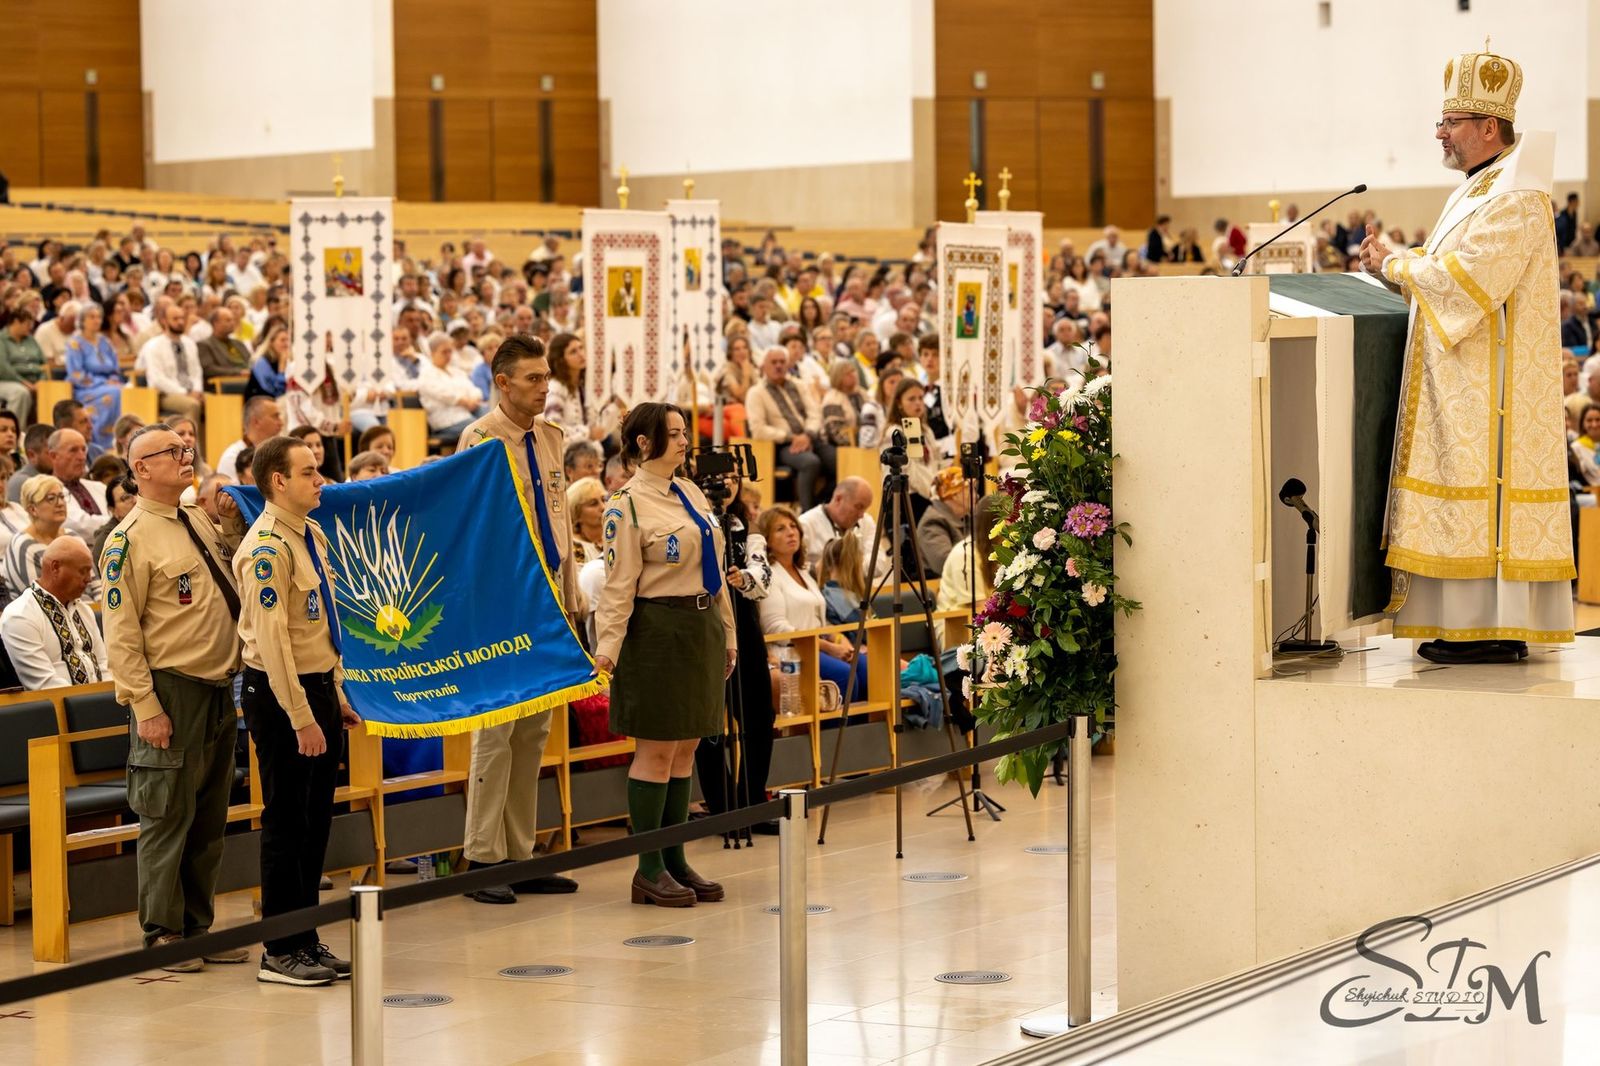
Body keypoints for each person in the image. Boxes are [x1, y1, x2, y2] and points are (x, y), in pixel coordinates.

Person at [1359, 47, 1575, 663]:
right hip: (1463, 382)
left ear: (1488, 127)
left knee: (1483, 499)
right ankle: (1464, 624)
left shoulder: (1517, 195)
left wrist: (1396, 263)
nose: (1439, 132)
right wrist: (1393, 270)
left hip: (1491, 394)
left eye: (1451, 122)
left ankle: (1489, 626)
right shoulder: (1478, 190)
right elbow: (1446, 276)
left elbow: (1471, 280)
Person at [101, 425, 247, 969]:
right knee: (167, 815)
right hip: (171, 689)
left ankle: (197, 928)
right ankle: (162, 933)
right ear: (141, 468)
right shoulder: (128, 539)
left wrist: (231, 523)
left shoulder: (196, 518)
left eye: (186, 449)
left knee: (209, 816)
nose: (187, 456)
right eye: (173, 451)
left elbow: (229, 577)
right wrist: (146, 706)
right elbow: (121, 635)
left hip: (218, 687)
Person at [593, 403, 735, 907]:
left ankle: (675, 858)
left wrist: (728, 633)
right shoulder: (626, 505)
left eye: (684, 432)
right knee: (655, 752)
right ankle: (648, 868)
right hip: (656, 630)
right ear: (644, 443)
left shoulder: (689, 491)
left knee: (686, 748)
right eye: (673, 434)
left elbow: (715, 569)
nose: (683, 441)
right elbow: (618, 587)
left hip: (700, 626)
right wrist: (606, 651)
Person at [455, 334, 581, 903]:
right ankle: (482, 857)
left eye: (546, 376)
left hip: (548, 596)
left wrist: (570, 598)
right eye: (532, 378)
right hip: (501, 600)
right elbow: (471, 528)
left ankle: (520, 852)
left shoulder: (550, 437)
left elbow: (558, 521)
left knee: (534, 731)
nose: (544, 386)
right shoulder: (480, 440)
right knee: (496, 729)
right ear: (502, 383)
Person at [232, 435, 358, 985]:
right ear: (278, 481)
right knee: (286, 821)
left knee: (315, 820)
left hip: (317, 687)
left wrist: (338, 694)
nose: (320, 480)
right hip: (282, 695)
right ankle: (279, 949)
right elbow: (273, 641)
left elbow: (323, 624)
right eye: (309, 472)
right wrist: (301, 715)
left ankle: (306, 936)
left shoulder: (311, 533)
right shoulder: (266, 549)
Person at [758, 506, 869, 702]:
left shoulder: (803, 573)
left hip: (818, 646)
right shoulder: (768, 575)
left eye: (793, 526)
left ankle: (864, 723)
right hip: (792, 650)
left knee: (865, 666)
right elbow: (776, 628)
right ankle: (837, 724)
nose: (791, 532)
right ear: (767, 539)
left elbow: (819, 620)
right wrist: (829, 647)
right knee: (844, 674)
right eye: (780, 529)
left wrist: (839, 640)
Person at [1, 535, 107, 689]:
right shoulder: (19, 616)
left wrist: (110, 695)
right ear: (55, 567)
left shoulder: (84, 610)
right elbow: (44, 684)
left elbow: (104, 664)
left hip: (101, 699)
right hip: (61, 702)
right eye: (83, 571)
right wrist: (92, 700)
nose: (89, 579)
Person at [745, 346, 833, 509]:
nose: (778, 366)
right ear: (764, 366)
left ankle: (823, 507)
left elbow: (815, 413)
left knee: (837, 460)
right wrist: (790, 437)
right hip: (782, 445)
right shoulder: (756, 393)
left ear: (788, 365)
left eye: (782, 362)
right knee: (810, 463)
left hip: (810, 437)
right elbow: (758, 429)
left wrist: (807, 435)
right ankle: (807, 513)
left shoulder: (799, 385)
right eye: (774, 362)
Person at [938, 492, 1009, 611]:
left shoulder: (1007, 548)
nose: (1016, 523)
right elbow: (979, 608)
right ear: (994, 523)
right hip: (956, 620)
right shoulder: (964, 555)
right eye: (1010, 518)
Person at [139, 301, 204, 424]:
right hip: (166, 394)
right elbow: (157, 379)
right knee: (192, 405)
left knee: (217, 402)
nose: (180, 322)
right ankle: (187, 437)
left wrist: (197, 390)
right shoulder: (153, 346)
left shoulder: (190, 343)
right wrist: (184, 392)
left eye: (182, 318)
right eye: (175, 319)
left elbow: (197, 371)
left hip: (191, 391)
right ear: (164, 321)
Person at [418, 333, 484, 447]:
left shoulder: (456, 372)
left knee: (492, 418)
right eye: (444, 352)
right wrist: (464, 401)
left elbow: (473, 389)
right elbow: (444, 394)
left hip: (467, 411)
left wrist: (474, 399)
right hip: (446, 419)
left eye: (450, 351)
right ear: (432, 353)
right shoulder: (426, 374)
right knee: (479, 429)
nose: (448, 355)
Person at [49, 429, 109, 541]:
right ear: (53, 456)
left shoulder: (100, 487)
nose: (82, 457)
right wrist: (118, 521)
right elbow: (80, 526)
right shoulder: (47, 492)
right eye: (73, 450)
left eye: (83, 449)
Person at [216, 396, 284, 487]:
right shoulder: (232, 458)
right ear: (256, 422)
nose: (281, 423)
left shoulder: (281, 453)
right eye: (275, 416)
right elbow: (231, 494)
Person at [915, 467, 971, 577]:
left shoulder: (969, 518)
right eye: (969, 489)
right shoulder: (932, 522)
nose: (975, 495)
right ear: (954, 494)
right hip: (941, 584)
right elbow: (944, 563)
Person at [0, 305, 44, 423]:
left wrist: (41, 381)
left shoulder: (31, 340)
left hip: (35, 381)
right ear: (15, 322)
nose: (31, 327)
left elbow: (43, 363)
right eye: (27, 324)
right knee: (21, 393)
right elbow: (3, 368)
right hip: (6, 381)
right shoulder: (1, 340)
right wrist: (24, 383)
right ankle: (14, 428)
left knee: (53, 389)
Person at [196, 306, 251, 380]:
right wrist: (239, 372)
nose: (232, 323)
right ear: (216, 323)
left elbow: (251, 362)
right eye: (228, 320)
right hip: (229, 382)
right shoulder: (205, 345)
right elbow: (209, 369)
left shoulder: (238, 343)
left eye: (233, 320)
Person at [567, 475, 606, 564]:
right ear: (576, 513)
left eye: (603, 500)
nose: (603, 507)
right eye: (593, 504)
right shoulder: (574, 548)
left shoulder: (614, 538)